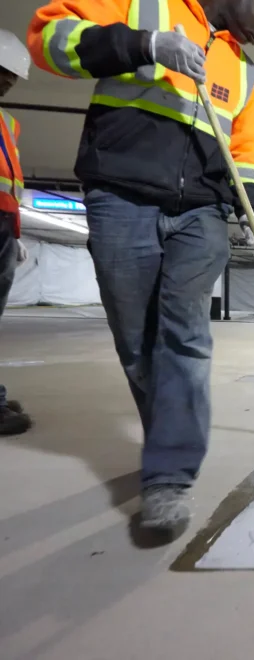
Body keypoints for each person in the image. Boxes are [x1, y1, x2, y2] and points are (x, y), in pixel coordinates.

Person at [27, 0, 254, 532]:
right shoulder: (147, 6)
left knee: (185, 336)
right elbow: (49, 39)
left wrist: (253, 218)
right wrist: (145, 45)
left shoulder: (246, 73)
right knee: (136, 338)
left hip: (202, 213)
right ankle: (167, 436)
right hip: (121, 197)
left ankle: (169, 476)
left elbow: (250, 157)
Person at [0, 30, 33, 437]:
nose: (8, 85)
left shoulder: (8, 123)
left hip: (4, 226)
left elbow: (11, 186)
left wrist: (16, 231)